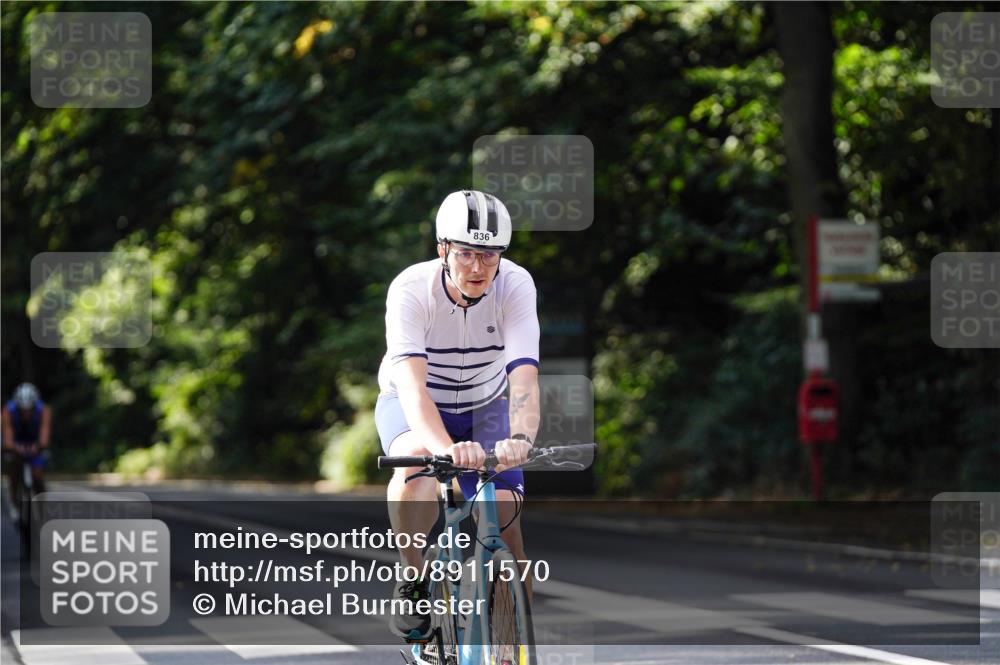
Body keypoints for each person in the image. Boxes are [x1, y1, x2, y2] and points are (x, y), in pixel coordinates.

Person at [377, 190, 540, 639]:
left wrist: (521, 440)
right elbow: (411, 387)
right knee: (415, 469)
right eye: (466, 253)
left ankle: (517, 643)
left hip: (485, 404)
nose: (477, 267)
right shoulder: (411, 289)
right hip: (415, 401)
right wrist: (447, 449)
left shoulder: (515, 285)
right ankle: (412, 579)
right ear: (442, 250)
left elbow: (524, 380)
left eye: (489, 255)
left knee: (506, 516)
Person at [3, 383, 51, 514]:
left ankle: (42, 504)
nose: (26, 413)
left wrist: (39, 445)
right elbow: (7, 435)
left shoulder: (44, 410)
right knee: (13, 468)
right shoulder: (8, 410)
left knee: (38, 473)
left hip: (35, 444)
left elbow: (44, 433)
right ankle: (13, 500)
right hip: (16, 443)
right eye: (22, 410)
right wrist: (14, 447)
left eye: (29, 410)